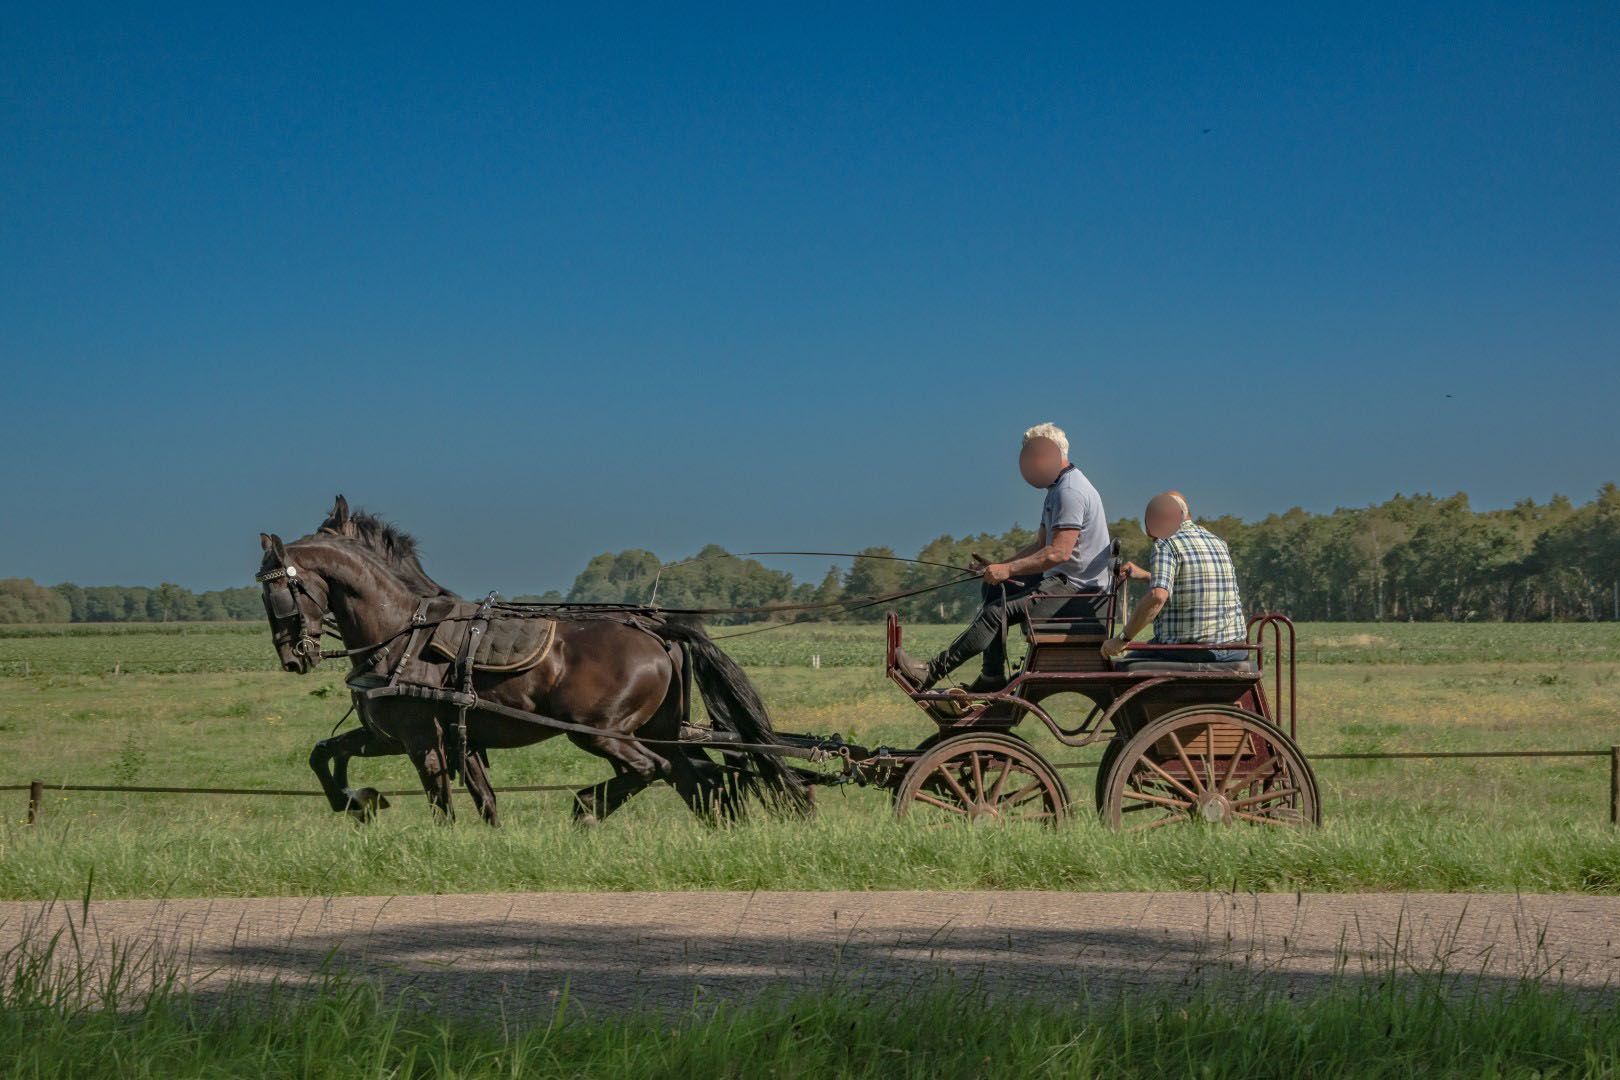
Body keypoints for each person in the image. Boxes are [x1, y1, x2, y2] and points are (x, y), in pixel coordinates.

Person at [894, 423, 1112, 691]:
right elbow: (1040, 545)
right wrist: (1001, 568)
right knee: (994, 588)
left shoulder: (1070, 492)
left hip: (1077, 593)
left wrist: (1008, 571)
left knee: (998, 611)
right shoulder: (1057, 489)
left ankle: (931, 672)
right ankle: (991, 677)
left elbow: (1058, 553)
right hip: (1066, 584)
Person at [1101, 491, 1249, 664]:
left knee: (1120, 668)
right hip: (1235, 649)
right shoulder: (1217, 541)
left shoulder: (1166, 543)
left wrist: (1122, 639)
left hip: (1192, 652)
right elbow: (1194, 582)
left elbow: (1157, 596)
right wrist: (1147, 576)